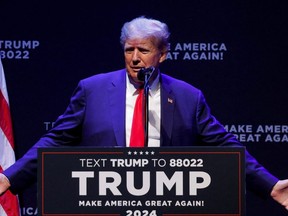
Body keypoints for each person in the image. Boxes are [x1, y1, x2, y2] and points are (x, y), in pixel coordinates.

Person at [0, 16, 288, 210]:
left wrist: (271, 186)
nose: (135, 58)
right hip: (104, 205)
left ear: (162, 54)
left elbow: (228, 147)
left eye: (144, 50)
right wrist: (10, 178)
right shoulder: (92, 90)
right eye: (129, 50)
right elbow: (55, 140)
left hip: (165, 206)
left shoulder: (188, 97)